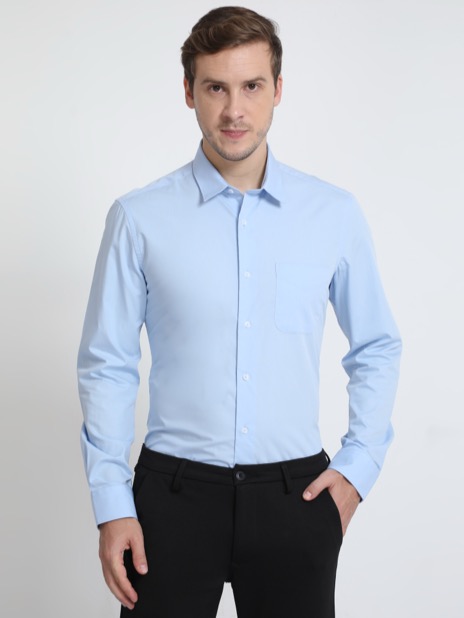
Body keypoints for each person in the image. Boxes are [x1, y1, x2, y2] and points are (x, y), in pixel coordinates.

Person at [78, 6, 401, 617]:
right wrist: (112, 503)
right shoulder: (138, 218)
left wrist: (358, 469)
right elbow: (107, 364)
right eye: (215, 88)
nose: (234, 110)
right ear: (188, 92)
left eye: (251, 86)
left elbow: (377, 345)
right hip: (172, 498)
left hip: (296, 497)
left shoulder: (332, 214)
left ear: (277, 89)